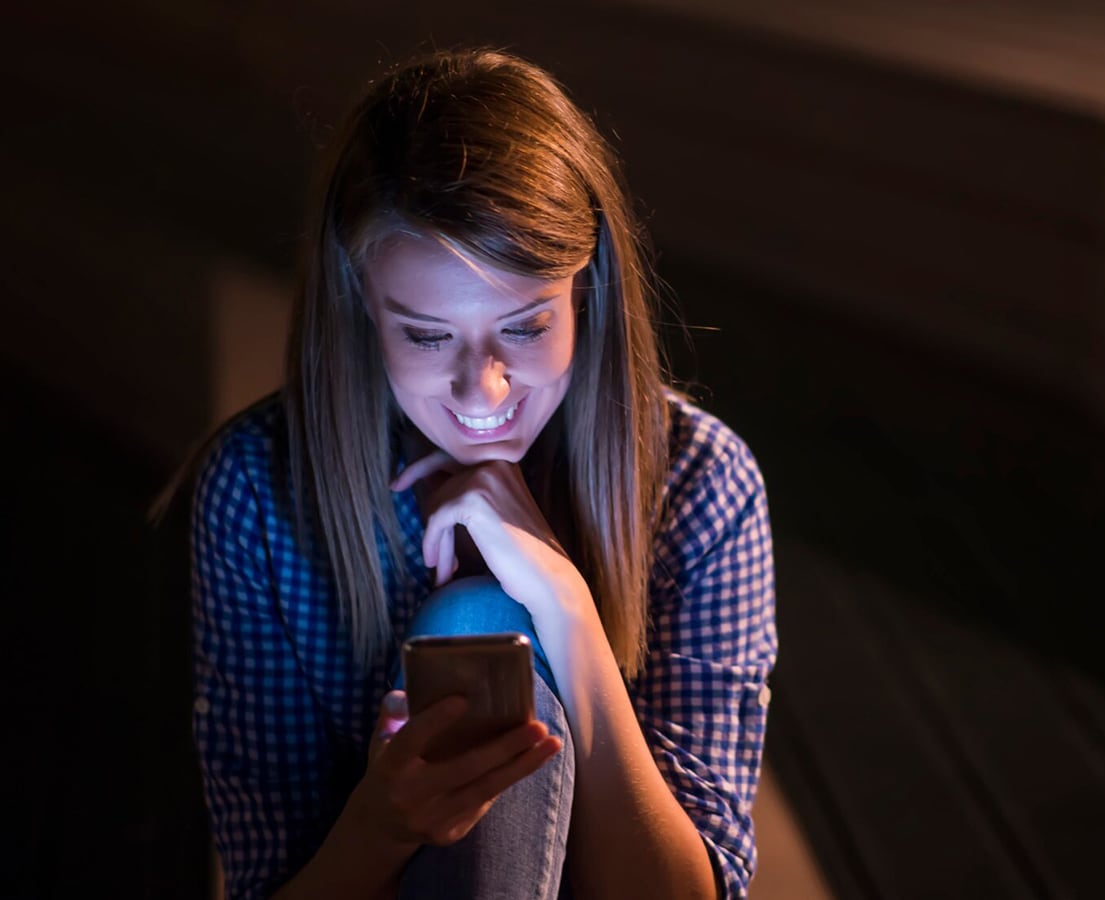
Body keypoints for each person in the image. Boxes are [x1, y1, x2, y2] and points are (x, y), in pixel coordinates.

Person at [175, 47, 776, 900]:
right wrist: (384, 824)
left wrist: (564, 607)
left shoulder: (701, 482)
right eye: (426, 335)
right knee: (477, 613)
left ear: (586, 289)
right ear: (362, 309)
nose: (482, 389)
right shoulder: (257, 491)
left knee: (482, 610)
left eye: (525, 328)